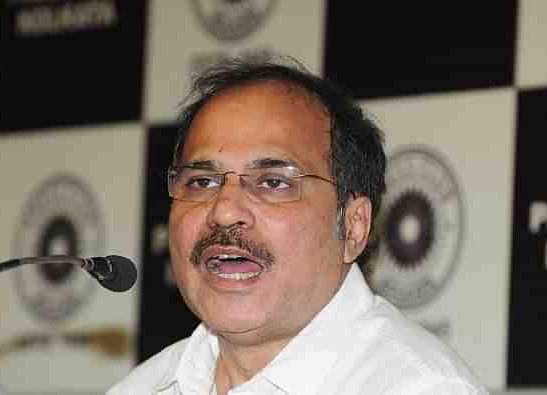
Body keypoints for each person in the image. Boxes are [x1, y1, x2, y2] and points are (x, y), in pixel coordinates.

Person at [108, 57, 487, 394]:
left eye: (273, 182)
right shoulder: (144, 386)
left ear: (353, 227)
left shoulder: (421, 388)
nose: (223, 211)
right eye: (202, 182)